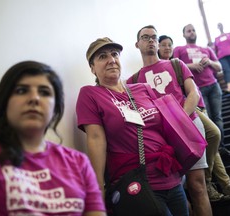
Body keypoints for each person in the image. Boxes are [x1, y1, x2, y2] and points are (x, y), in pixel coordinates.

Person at [0, 61, 106, 216]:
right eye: (21, 90)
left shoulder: (79, 162)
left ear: (55, 109)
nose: (34, 98)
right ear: (4, 101)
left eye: (44, 92)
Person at [76, 37, 191, 215]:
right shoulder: (90, 94)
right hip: (135, 182)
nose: (111, 60)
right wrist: (97, 190)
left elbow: (165, 129)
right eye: (102, 56)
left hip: (170, 176)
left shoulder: (143, 88)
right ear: (92, 67)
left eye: (115, 54)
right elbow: (96, 140)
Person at [127, 25, 212, 216]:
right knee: (175, 189)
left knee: (197, 187)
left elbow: (193, 93)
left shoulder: (176, 64)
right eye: (145, 37)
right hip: (160, 140)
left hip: (188, 125)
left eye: (154, 37)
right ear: (137, 44)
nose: (150, 40)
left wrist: (178, 121)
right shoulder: (133, 80)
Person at [158, 35, 230, 201]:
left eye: (169, 45)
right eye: (163, 45)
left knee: (213, 143)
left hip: (198, 105)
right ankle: (220, 184)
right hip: (184, 112)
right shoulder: (160, 71)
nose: (167, 48)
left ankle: (222, 184)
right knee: (212, 138)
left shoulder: (177, 64)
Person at [173, 23, 230, 157]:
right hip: (196, 91)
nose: (192, 32)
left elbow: (219, 66)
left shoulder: (206, 49)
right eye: (188, 31)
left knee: (217, 118)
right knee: (208, 121)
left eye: (193, 30)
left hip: (213, 86)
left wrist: (210, 62)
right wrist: (191, 66)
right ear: (184, 34)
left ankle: (221, 147)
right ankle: (213, 152)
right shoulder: (179, 49)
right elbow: (173, 65)